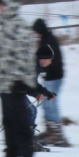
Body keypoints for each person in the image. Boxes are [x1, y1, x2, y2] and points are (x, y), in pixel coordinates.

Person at [0, 0, 38, 157]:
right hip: (4, 81)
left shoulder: (20, 26)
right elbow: (6, 55)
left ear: (10, 6)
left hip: (16, 82)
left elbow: (24, 55)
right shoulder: (5, 27)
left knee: (21, 121)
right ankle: (11, 154)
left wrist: (21, 79)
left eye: (2, 5)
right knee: (8, 120)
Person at [31, 18, 68, 148]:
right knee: (46, 104)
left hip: (55, 76)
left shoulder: (49, 41)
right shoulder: (45, 39)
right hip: (50, 76)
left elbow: (54, 59)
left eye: (36, 31)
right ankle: (50, 131)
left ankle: (56, 134)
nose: (35, 34)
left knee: (51, 104)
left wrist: (45, 68)